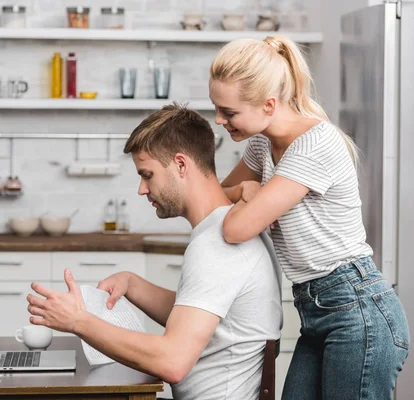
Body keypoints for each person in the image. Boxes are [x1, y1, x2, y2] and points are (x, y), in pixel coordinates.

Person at [26, 104, 282, 400]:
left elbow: (171, 362)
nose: (142, 189)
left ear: (181, 165)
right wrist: (133, 285)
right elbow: (205, 314)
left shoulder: (217, 245)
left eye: (147, 175)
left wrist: (77, 321)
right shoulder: (230, 226)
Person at [210, 35, 410, 400]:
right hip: (316, 311)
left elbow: (236, 228)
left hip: (357, 309)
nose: (219, 120)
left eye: (229, 112)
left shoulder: (315, 145)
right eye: (218, 108)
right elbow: (213, 201)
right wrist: (244, 192)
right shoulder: (261, 143)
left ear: (268, 104)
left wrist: (246, 202)